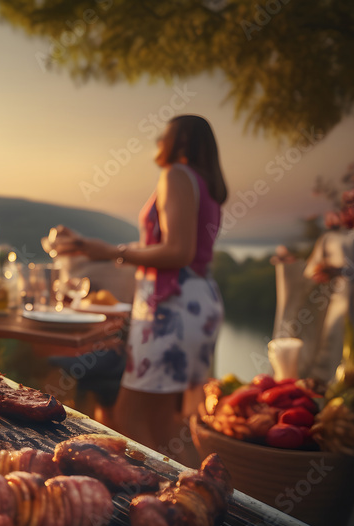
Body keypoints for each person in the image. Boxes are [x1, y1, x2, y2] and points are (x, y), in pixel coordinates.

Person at [52, 115, 227, 463]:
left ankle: (160, 500)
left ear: (178, 141)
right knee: (170, 423)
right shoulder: (204, 183)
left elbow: (178, 251)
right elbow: (170, 247)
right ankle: (201, 498)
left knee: (129, 416)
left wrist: (113, 253)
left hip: (171, 308)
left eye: (164, 135)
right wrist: (94, 246)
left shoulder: (176, 175)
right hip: (198, 301)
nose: (158, 141)